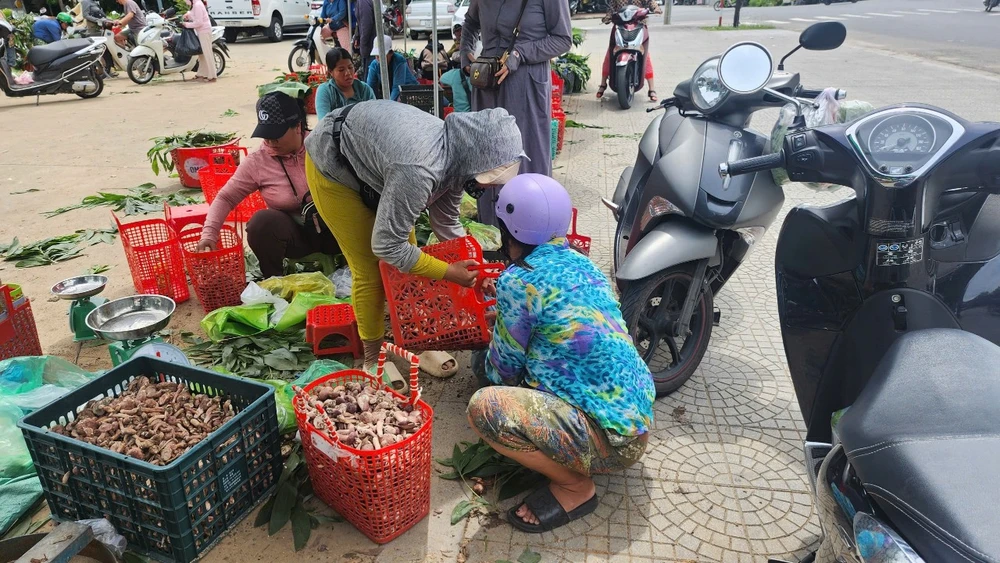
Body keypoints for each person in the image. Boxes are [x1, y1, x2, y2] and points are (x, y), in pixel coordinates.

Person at [467, 174, 654, 533]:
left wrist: (499, 335)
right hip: (634, 416)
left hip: (613, 443)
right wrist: (510, 320)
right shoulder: (582, 262)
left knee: (485, 408)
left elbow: (502, 370)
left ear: (509, 231)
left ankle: (575, 487)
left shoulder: (517, 281)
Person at [303, 100, 524, 369]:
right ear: (475, 161)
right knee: (372, 269)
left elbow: (446, 223)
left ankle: (416, 341)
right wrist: (450, 272)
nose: (487, 188)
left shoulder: (458, 157)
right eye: (487, 179)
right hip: (334, 164)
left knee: (409, 262)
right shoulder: (420, 168)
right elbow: (386, 246)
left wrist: (477, 271)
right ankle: (373, 360)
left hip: (378, 165)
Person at [198, 92, 339, 278]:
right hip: (298, 237)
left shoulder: (324, 144)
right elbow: (226, 197)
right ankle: (275, 282)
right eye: (266, 135)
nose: (270, 141)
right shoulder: (258, 161)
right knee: (261, 223)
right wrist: (209, 234)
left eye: (276, 135)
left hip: (338, 229)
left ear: (297, 126)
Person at [459, 0, 572, 225]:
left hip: (526, 85)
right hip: (487, 85)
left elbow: (562, 39)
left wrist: (521, 53)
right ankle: (492, 229)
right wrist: (466, 55)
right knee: (488, 157)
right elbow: (470, 23)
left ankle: (533, 228)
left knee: (526, 155)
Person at [597, 0, 660, 103]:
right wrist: (608, 17)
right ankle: (603, 84)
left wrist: (656, 8)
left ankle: (651, 89)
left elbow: (650, 2)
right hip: (621, 27)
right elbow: (611, 8)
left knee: (645, 57)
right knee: (610, 55)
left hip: (638, 26)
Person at [315, 48, 375, 119]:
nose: (348, 73)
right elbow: (323, 123)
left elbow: (374, 117)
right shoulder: (325, 91)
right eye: (341, 70)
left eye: (350, 67)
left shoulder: (365, 90)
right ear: (331, 72)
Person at [365, 34, 417, 101]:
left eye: (381, 55)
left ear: (391, 53)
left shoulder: (399, 61)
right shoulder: (374, 65)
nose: (378, 58)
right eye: (376, 55)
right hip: (391, 94)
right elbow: (370, 88)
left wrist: (388, 106)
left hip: (409, 91)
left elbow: (397, 87)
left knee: (400, 99)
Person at [182, 0, 216, 82]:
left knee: (207, 54)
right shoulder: (195, 4)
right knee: (202, 55)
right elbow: (194, 15)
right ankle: (201, 74)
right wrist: (187, 15)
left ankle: (212, 76)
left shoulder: (197, 5)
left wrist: (186, 25)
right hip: (200, 32)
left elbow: (199, 22)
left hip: (204, 31)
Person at [355, 0, 374, 80]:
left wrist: (363, 43)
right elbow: (360, 23)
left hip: (370, 44)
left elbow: (366, 24)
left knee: (369, 77)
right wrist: (357, 36)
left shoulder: (363, 2)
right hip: (369, 43)